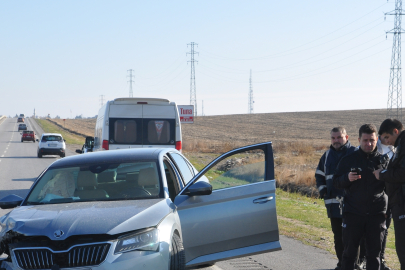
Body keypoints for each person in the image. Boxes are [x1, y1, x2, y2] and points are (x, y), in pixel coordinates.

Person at [333, 124, 389, 270]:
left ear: (377, 139)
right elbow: (336, 182)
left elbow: (392, 187)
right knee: (349, 254)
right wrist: (347, 178)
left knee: (374, 255)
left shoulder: (383, 161)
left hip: (376, 214)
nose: (369, 144)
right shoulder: (348, 160)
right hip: (353, 213)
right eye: (365, 140)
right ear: (359, 140)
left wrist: (383, 175)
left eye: (372, 140)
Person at [315, 127, 356, 270]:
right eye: (333, 138)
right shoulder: (326, 156)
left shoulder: (355, 153)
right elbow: (319, 174)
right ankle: (342, 264)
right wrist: (323, 190)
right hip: (333, 205)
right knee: (338, 237)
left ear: (347, 137)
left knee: (352, 237)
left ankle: (354, 264)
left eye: (339, 137)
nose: (336, 140)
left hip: (353, 205)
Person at [374, 119, 405, 270]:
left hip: (402, 203)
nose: (386, 141)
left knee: (403, 247)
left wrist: (383, 174)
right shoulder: (399, 146)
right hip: (398, 202)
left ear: (396, 132)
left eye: (387, 137)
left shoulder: (403, 146)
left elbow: (402, 173)